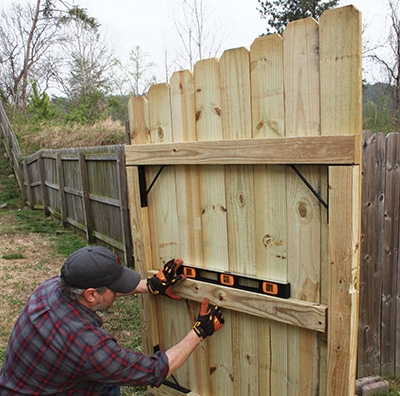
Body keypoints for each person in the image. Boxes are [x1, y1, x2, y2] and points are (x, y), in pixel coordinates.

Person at [0, 246, 224, 395]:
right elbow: (155, 370)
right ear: (90, 294)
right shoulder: (89, 347)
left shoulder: (50, 289)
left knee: (106, 382)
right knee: (109, 382)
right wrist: (199, 330)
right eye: (115, 288)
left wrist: (151, 285)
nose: (118, 291)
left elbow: (102, 291)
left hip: (21, 386)